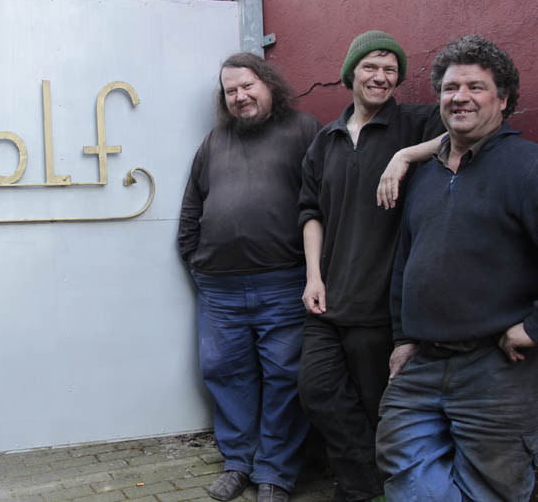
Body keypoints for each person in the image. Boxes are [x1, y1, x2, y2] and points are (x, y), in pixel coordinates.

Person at [377, 35, 538, 501]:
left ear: (503, 100)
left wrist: (533, 327)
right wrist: (403, 338)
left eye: (475, 87)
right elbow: (406, 258)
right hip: (423, 364)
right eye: (450, 88)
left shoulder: (527, 167)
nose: (459, 97)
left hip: (497, 369)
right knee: (402, 469)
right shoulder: (424, 173)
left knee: (492, 487)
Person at [297, 30, 445, 502]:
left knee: (377, 403)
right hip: (328, 299)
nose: (381, 77)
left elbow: (469, 128)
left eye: (390, 70)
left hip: (382, 303)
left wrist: (405, 156)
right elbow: (310, 212)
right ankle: (364, 483)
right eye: (371, 67)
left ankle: (365, 487)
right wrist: (313, 276)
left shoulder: (415, 123)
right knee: (317, 390)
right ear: (351, 73)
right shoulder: (326, 140)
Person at [178, 52, 321, 502]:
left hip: (283, 283)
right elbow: (192, 205)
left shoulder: (303, 130)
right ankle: (238, 463)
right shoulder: (214, 141)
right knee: (225, 373)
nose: (240, 96)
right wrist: (194, 256)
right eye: (231, 90)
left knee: (285, 378)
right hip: (219, 287)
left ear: (269, 84)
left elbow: (322, 201)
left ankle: (275, 473)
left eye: (247, 86)